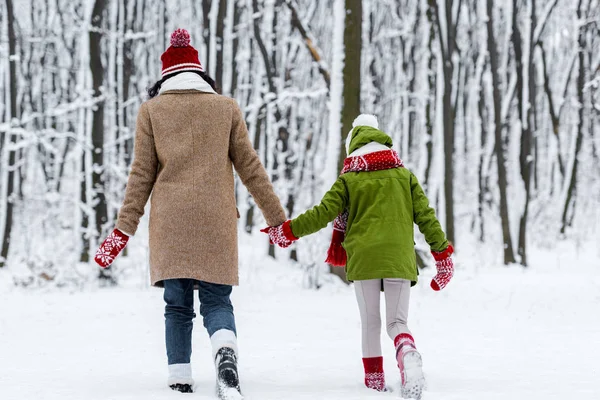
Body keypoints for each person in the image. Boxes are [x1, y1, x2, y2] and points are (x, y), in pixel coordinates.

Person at [94, 29, 286, 396]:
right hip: (215, 221)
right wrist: (277, 220)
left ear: (166, 74)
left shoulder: (151, 111)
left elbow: (140, 177)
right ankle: (225, 352)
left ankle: (180, 377)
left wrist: (122, 231)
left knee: (177, 306)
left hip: (171, 223)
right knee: (218, 299)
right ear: (199, 72)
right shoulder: (225, 107)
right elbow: (251, 168)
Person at [261, 114, 454, 399]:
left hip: (364, 259)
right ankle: (407, 352)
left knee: (371, 322)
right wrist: (441, 254)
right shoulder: (404, 175)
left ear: (353, 145)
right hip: (398, 257)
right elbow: (426, 217)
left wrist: (288, 231)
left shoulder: (349, 179)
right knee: (397, 323)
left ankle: (375, 385)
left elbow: (322, 213)